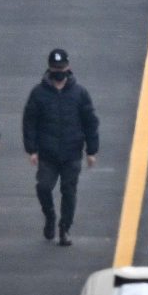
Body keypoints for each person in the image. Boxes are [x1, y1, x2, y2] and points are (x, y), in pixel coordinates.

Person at [22, 49, 99, 246]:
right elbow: (29, 122)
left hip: (72, 152)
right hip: (47, 154)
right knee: (44, 187)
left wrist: (91, 150)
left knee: (69, 190)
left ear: (68, 68)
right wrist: (32, 149)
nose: (59, 71)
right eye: (55, 68)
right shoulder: (38, 94)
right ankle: (50, 216)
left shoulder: (79, 93)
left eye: (62, 68)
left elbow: (90, 122)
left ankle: (65, 228)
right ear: (49, 68)